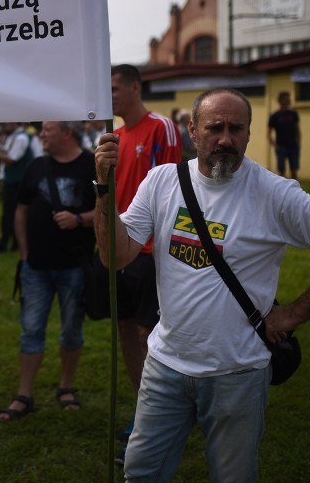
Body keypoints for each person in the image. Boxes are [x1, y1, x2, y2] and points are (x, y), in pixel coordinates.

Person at [93, 88, 310, 482]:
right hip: (164, 365)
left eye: (236, 129)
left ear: (249, 133)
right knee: (141, 473)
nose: (225, 139)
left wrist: (292, 314)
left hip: (237, 373)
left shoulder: (275, 194)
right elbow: (114, 257)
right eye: (215, 128)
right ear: (193, 130)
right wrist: (103, 189)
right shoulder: (161, 182)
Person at [106, 63, 182, 458]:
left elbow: (173, 185)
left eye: (116, 87)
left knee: (146, 333)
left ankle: (161, 416)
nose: (111, 94)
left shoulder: (161, 127)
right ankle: (144, 410)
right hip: (122, 248)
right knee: (124, 328)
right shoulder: (114, 136)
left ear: (136, 88)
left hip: (153, 250)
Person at [0, 121, 95, 420]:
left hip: (75, 266)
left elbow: (110, 208)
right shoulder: (36, 166)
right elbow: (21, 210)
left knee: (71, 332)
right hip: (35, 267)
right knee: (31, 331)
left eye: (46, 131)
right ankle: (24, 394)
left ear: (66, 132)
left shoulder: (92, 165)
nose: (40, 135)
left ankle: (66, 387)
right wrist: (24, 254)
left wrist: (79, 220)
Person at [0, 122, 39, 253]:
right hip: (13, 181)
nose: (3, 126)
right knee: (13, 213)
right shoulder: (14, 136)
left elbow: (11, 159)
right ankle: (13, 243)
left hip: (17, 182)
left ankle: (5, 243)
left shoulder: (21, 138)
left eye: (5, 123)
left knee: (10, 214)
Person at [267, 91, 301, 180]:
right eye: (287, 98)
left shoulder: (294, 114)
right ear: (281, 100)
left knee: (294, 171)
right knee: (281, 172)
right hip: (281, 147)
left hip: (293, 147)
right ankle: (281, 191)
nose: (289, 100)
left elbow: (298, 130)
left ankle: (295, 191)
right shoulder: (274, 116)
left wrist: (298, 144)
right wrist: (275, 146)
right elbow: (268, 133)